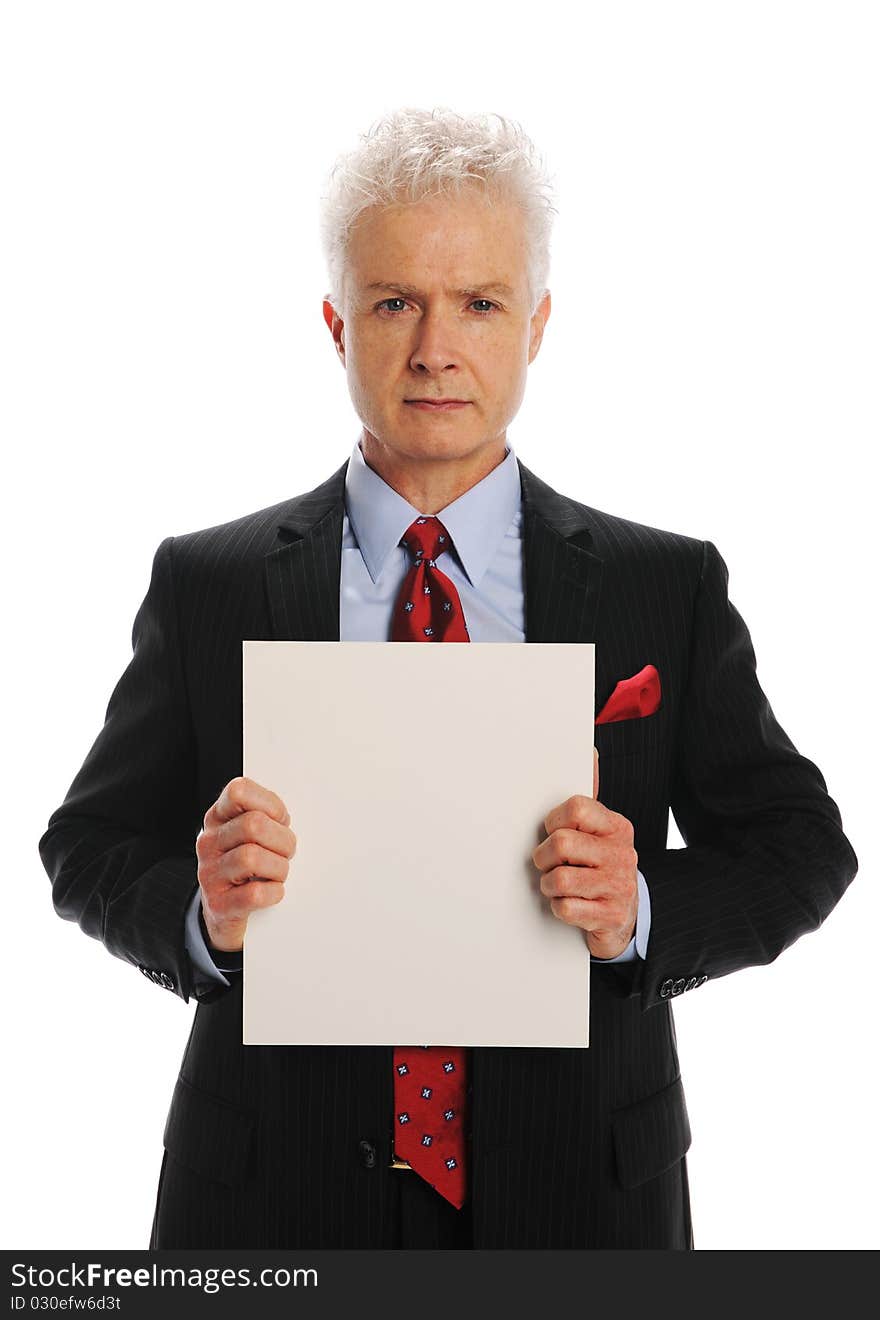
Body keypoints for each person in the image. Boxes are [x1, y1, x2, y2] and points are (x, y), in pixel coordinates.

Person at [38, 106, 857, 1250]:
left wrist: (641, 912)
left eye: (479, 302)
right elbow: (85, 844)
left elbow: (799, 845)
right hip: (271, 1196)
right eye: (393, 303)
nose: (435, 347)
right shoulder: (208, 581)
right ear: (336, 325)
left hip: (581, 1195)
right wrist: (198, 911)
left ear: (537, 325)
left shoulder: (659, 585)